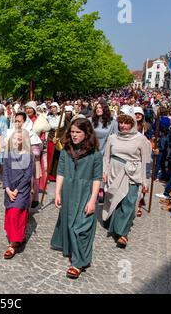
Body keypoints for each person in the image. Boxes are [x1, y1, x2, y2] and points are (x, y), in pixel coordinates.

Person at [51, 118, 102, 279]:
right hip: (68, 191)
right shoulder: (66, 150)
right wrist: (57, 192)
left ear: (86, 133)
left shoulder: (95, 154)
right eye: (72, 132)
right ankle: (74, 253)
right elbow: (61, 172)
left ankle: (79, 262)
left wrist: (93, 200)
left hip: (85, 192)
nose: (74, 135)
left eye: (78, 132)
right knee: (69, 223)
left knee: (81, 227)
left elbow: (96, 178)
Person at [102, 107, 151, 249]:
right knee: (115, 199)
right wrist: (104, 171)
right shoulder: (112, 138)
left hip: (132, 173)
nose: (123, 125)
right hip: (114, 172)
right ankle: (113, 222)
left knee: (129, 201)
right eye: (121, 122)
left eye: (126, 123)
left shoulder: (141, 139)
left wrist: (145, 180)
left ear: (133, 124)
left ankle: (123, 233)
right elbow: (106, 157)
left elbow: (146, 162)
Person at [2, 128, 34, 259]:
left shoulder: (29, 156)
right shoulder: (8, 155)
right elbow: (5, 172)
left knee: (16, 214)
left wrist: (16, 190)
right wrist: (8, 188)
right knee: (10, 215)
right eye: (14, 138)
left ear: (24, 141)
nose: (16, 141)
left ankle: (12, 245)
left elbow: (27, 176)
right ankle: (17, 237)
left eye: (19, 139)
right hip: (10, 189)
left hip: (21, 190)